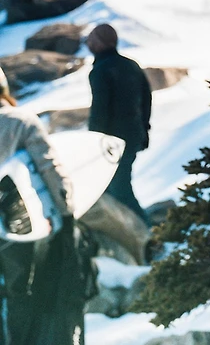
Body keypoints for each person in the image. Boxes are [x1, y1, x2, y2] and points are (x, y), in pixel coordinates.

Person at [0, 64, 74, 343]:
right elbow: (50, 168)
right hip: (21, 225)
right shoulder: (22, 121)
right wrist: (66, 213)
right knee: (22, 294)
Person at [86, 23, 152, 224]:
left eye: (91, 39)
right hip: (133, 136)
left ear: (99, 42)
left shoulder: (100, 71)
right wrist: (144, 129)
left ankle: (149, 235)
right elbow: (146, 98)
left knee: (118, 188)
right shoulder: (131, 65)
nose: (88, 42)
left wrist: (93, 141)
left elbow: (100, 109)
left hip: (111, 141)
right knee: (115, 186)